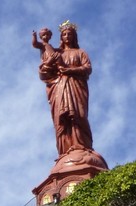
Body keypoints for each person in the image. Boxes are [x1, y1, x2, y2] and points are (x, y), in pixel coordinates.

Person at [37, 21, 93, 155]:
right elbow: (44, 73)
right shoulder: (55, 53)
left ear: (74, 37)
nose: (67, 36)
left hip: (75, 87)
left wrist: (69, 70)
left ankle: (82, 146)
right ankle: (66, 150)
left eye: (70, 34)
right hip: (59, 88)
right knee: (62, 119)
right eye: (64, 34)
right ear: (61, 37)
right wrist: (50, 61)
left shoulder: (80, 52)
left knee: (78, 115)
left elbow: (87, 68)